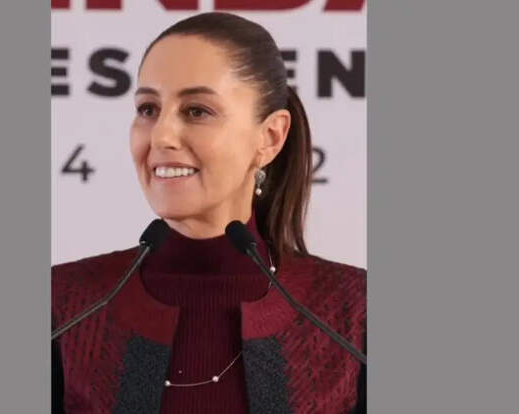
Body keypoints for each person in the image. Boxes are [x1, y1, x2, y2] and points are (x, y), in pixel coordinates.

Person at [52, 12, 366, 414]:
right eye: (148, 109)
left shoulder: (355, 312)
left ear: (270, 137)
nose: (161, 136)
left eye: (197, 111)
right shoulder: (62, 306)